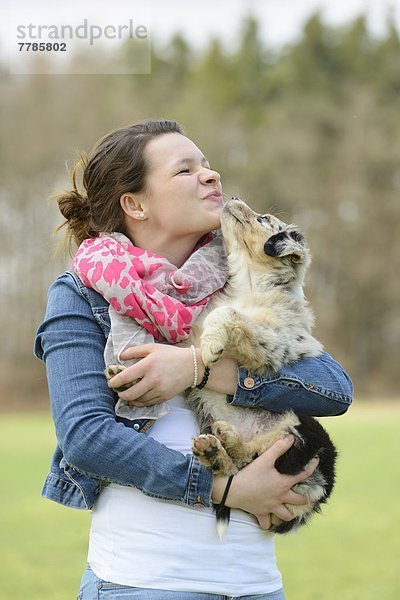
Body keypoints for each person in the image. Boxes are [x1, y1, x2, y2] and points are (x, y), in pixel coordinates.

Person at [34, 119, 353, 600]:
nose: (211, 175)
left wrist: (198, 369)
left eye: (207, 164)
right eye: (186, 170)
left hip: (257, 586)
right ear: (135, 204)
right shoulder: (81, 294)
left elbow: (332, 387)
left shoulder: (239, 280)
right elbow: (86, 438)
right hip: (144, 585)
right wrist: (222, 491)